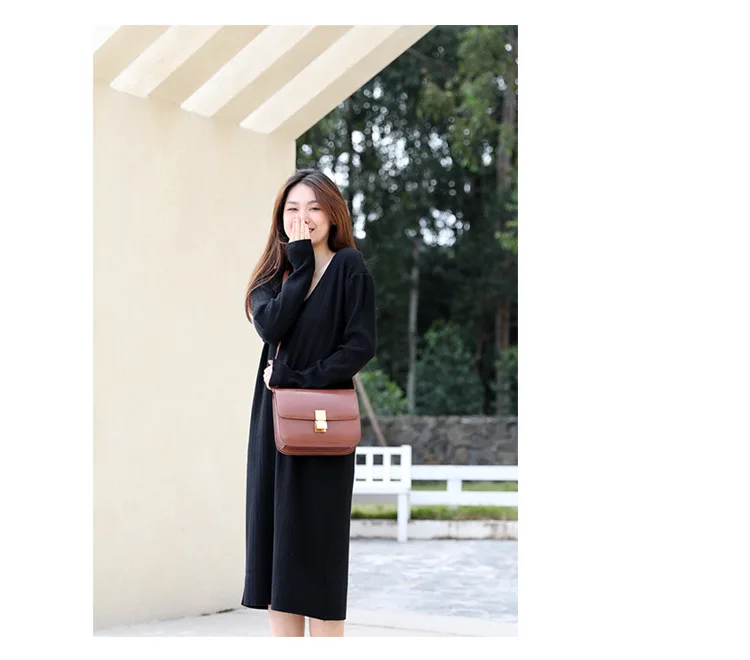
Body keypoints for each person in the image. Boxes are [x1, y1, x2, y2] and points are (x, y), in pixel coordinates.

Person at [241, 168, 378, 637]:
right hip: (275, 425)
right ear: (280, 218)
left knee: (320, 549)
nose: (303, 218)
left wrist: (298, 378)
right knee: (277, 549)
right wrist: (299, 266)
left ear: (333, 214)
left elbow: (359, 347)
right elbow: (271, 328)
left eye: (315, 208)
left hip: (323, 424)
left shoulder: (349, 267)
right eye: (293, 209)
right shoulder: (270, 277)